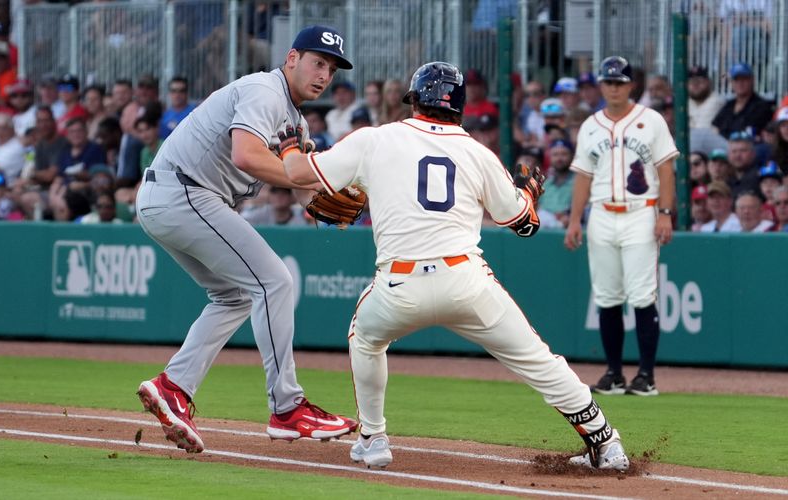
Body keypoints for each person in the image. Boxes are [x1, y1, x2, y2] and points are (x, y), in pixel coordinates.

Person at [283, 61, 630, 472]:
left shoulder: (377, 139)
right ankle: (606, 444)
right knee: (539, 360)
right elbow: (523, 225)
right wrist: (527, 197)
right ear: (460, 107)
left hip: (399, 284)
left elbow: (298, 173)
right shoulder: (478, 153)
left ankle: (374, 438)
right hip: (465, 279)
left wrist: (290, 146)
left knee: (365, 338)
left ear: (415, 101)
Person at [134, 25, 358, 454]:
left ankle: (173, 387)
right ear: (291, 58)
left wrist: (331, 199)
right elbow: (247, 156)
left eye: (330, 68)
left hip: (173, 197)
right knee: (275, 281)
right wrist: (308, 179)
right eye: (317, 61)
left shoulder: (296, 122)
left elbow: (312, 187)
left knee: (234, 296)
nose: (324, 74)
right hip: (185, 192)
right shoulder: (265, 91)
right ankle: (288, 408)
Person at [564, 56, 678, 397]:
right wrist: (574, 219)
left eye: (619, 81)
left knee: (642, 294)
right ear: (601, 85)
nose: (614, 87)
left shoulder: (651, 120)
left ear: (631, 85)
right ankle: (613, 373)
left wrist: (665, 212)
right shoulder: (590, 125)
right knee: (607, 295)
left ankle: (646, 376)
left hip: (640, 211)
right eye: (608, 81)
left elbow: (666, 170)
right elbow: (583, 175)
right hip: (601, 213)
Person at [712, 62, 774, 140]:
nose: (740, 83)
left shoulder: (762, 106)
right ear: (731, 82)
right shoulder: (729, 105)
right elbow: (716, 128)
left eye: (744, 79)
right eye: (736, 80)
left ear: (752, 80)